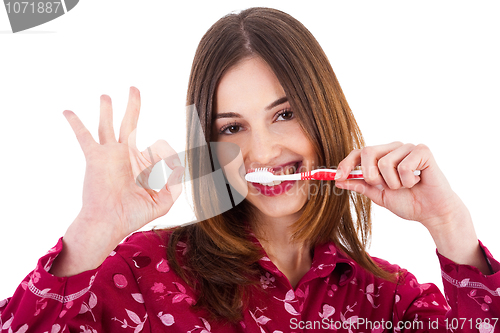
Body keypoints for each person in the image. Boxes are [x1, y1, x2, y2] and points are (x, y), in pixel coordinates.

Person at [0, 7, 498, 333]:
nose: (261, 152)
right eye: (232, 128)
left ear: (324, 113)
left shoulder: (391, 301)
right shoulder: (139, 274)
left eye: (284, 114)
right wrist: (92, 232)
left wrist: (451, 228)